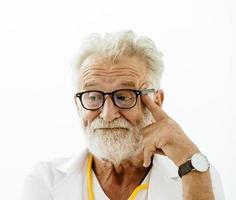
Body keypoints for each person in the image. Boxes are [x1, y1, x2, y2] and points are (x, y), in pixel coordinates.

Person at [22, 30, 224, 200]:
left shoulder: (195, 175)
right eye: (93, 97)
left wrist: (188, 155)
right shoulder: (46, 181)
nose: (108, 114)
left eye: (124, 96)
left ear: (156, 102)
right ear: (78, 105)